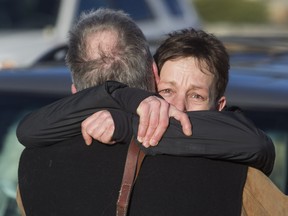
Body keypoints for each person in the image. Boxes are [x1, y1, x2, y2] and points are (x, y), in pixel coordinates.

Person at [17, 9, 274, 216]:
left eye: (196, 96)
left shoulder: (30, 169)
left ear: (75, 92)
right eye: (168, 92)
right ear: (154, 75)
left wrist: (125, 118)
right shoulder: (232, 173)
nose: (178, 108)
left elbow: (26, 131)